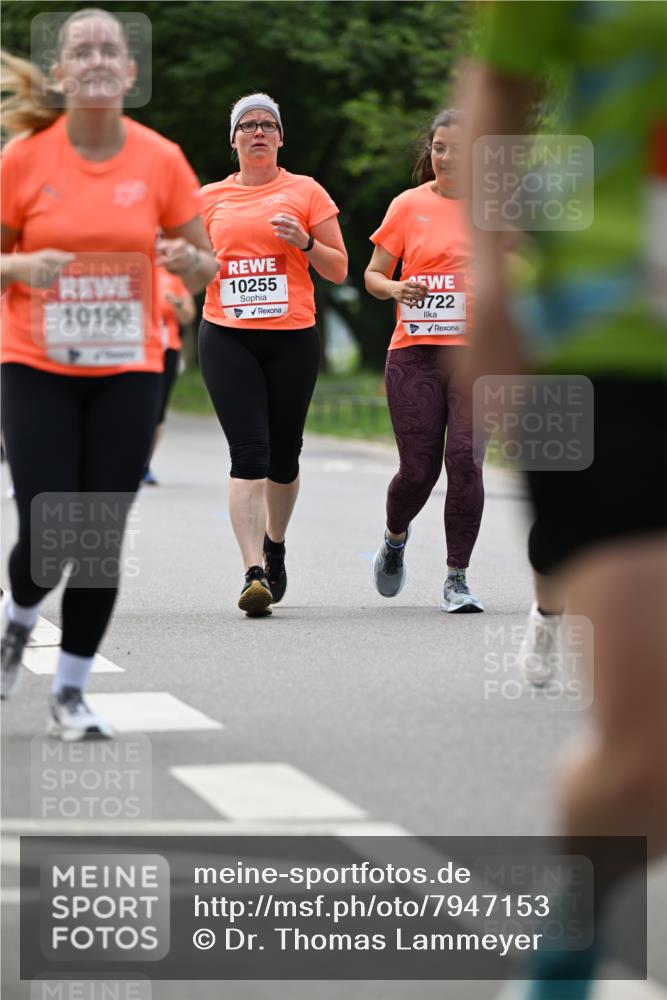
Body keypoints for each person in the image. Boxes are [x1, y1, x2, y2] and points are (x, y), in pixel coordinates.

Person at [464, 1, 667, 996]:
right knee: (648, 758)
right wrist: (491, 286)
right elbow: (500, 82)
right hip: (612, 354)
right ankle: (568, 945)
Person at [0, 9, 217, 739]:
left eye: (109, 50)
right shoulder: (25, 160)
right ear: (60, 74)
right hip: (36, 364)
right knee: (48, 530)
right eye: (79, 50)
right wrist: (21, 265)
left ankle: (70, 693)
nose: (95, 58)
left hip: (127, 364)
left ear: (128, 72)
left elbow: (206, 257)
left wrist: (193, 263)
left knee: (97, 532)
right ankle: (20, 616)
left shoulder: (160, 159)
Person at [198, 93, 347, 617]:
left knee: (285, 456)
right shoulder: (207, 198)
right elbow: (185, 268)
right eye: (248, 125)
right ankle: (252, 571)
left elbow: (338, 269)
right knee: (250, 454)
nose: (258, 132)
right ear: (233, 139)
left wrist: (305, 242)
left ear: (280, 138)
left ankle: (274, 545)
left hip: (291, 337)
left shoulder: (305, 191)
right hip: (227, 335)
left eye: (267, 125)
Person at [365, 109, 486, 613]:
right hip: (414, 352)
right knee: (417, 471)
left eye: (458, 148)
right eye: (439, 147)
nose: (448, 157)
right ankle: (395, 540)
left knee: (464, 461)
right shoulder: (406, 205)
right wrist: (395, 287)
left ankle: (456, 577)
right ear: (429, 152)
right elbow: (373, 274)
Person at [142, 263, 195, 485]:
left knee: (157, 411)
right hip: (133, 351)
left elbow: (188, 316)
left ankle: (144, 466)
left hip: (166, 350)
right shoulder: (129, 268)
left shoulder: (172, 275)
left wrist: (177, 302)